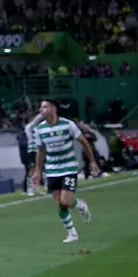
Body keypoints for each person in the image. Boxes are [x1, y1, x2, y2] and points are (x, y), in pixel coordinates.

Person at [27, 99, 96, 244]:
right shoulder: (39, 129)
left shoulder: (68, 124)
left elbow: (84, 142)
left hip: (69, 167)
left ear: (53, 108)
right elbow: (41, 151)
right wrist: (38, 172)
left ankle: (80, 206)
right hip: (52, 170)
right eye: (41, 107)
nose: (41, 110)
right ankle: (72, 233)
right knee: (60, 202)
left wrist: (92, 161)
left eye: (44, 107)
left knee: (65, 201)